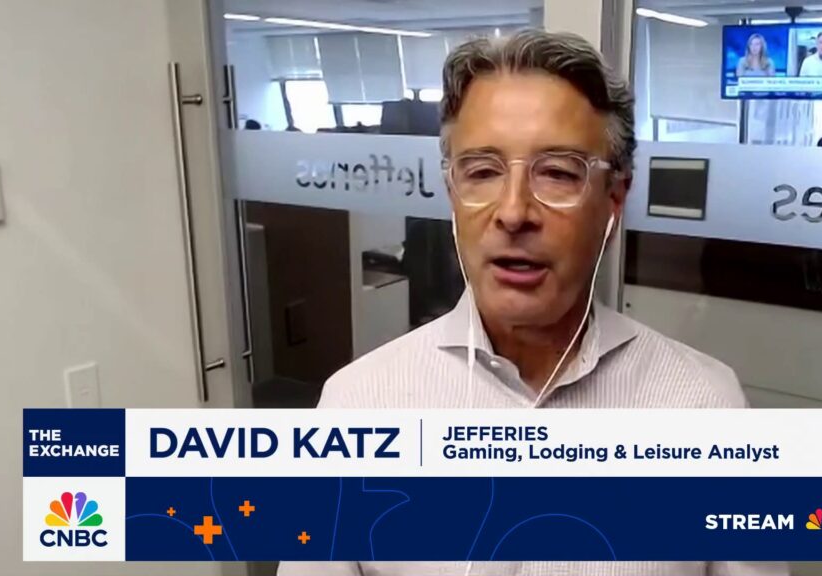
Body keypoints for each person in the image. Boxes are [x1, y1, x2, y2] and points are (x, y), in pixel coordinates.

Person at [279, 30, 786, 576]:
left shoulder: (707, 408)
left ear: (615, 199)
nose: (514, 212)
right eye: (482, 172)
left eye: (558, 173)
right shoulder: (358, 405)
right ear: (452, 193)